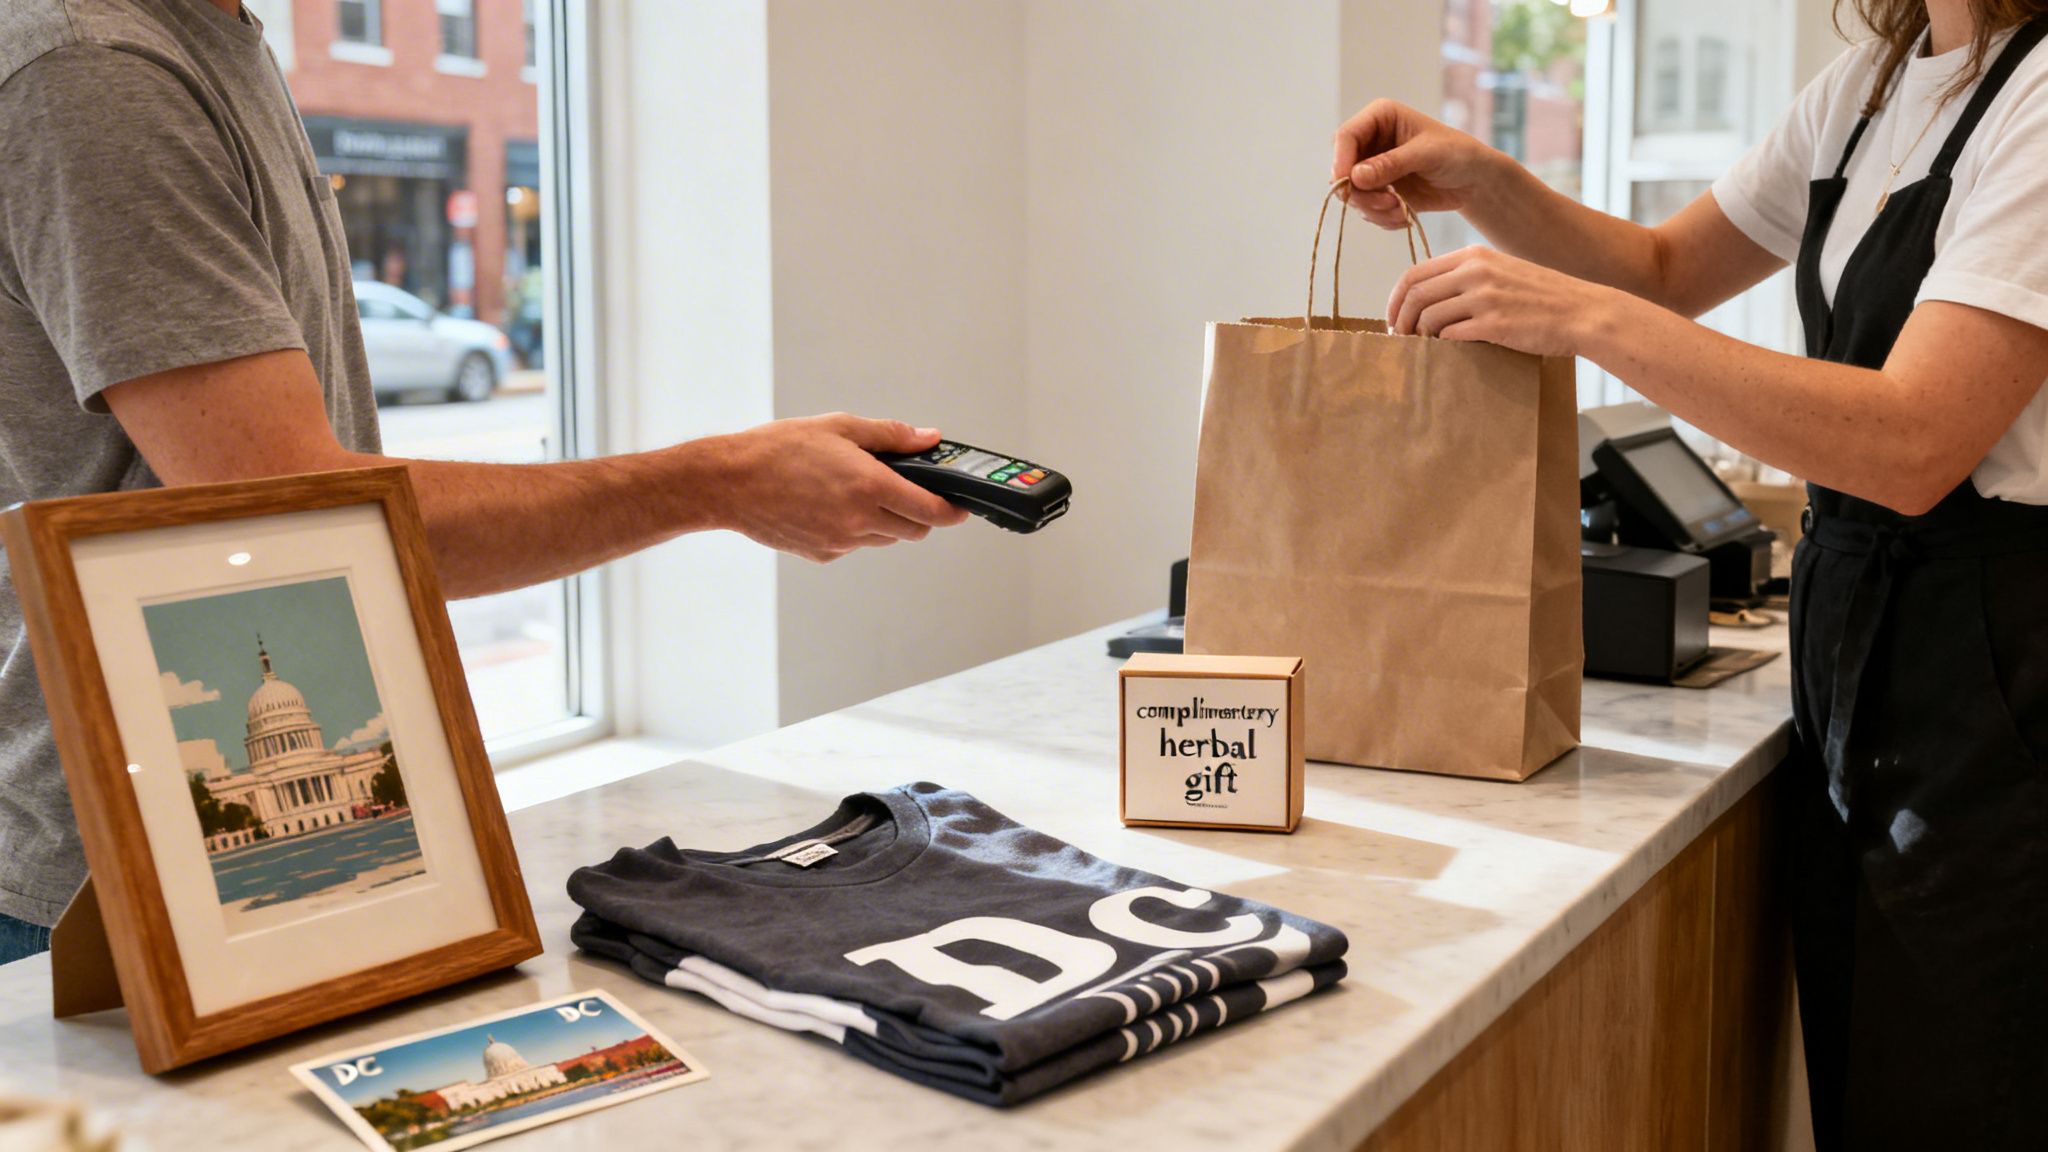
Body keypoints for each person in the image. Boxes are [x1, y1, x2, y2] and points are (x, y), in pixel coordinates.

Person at [0, 0, 968, 964]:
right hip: (111, 893)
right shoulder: (95, 69)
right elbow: (298, 520)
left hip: (265, 864)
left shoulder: (209, 39)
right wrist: (718, 482)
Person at [1335, 0, 2048, 1146]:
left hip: (1993, 669)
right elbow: (1662, 268)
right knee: (1874, 1074)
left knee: (1968, 1087)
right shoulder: (1870, 85)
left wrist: (1583, 321)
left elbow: (1916, 439)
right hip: (1857, 645)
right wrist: (1482, 179)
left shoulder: (2038, 98)